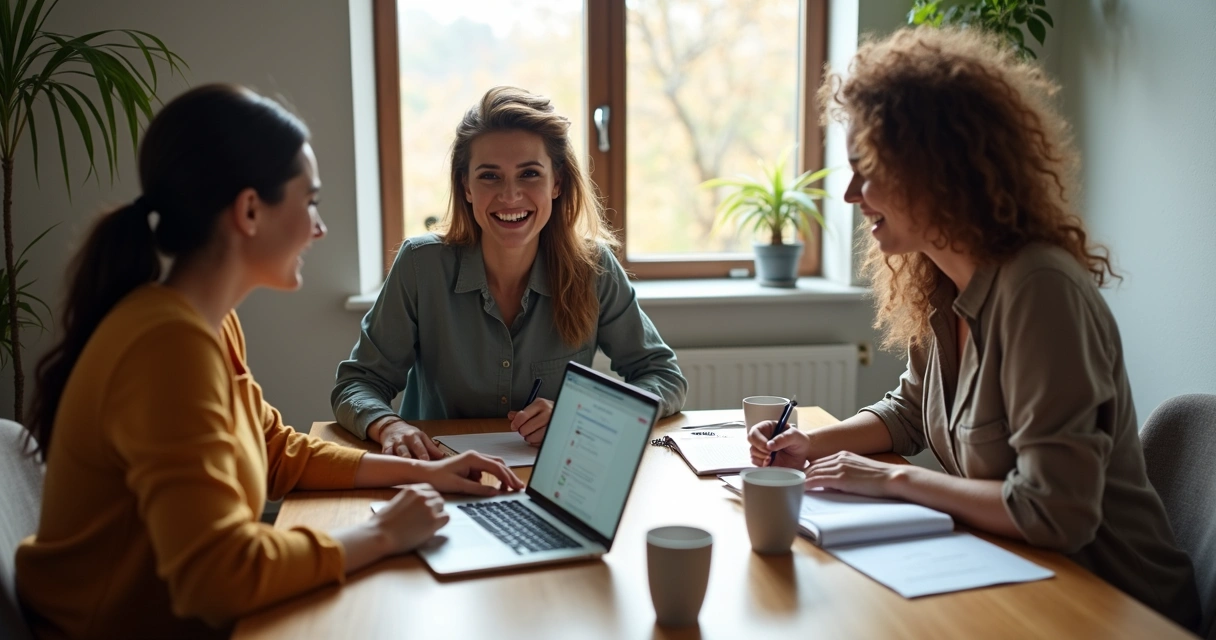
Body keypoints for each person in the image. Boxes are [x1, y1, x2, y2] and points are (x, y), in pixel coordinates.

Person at [15, 84, 524, 639]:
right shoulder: (168, 347)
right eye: (309, 202)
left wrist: (426, 472)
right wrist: (381, 535)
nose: (319, 227)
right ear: (250, 210)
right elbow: (216, 578)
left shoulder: (205, 322)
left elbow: (277, 453)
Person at [749, 28, 1201, 629]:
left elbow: (1054, 512)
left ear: (933, 169)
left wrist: (893, 481)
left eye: (868, 170)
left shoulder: (1039, 289)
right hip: (1021, 577)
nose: (852, 192)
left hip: (1114, 604)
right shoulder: (938, 282)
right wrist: (815, 444)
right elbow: (911, 412)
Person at [332, 86, 687, 460]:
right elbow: (357, 384)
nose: (510, 195)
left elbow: (663, 377)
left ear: (557, 183)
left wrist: (582, 415)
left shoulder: (593, 269)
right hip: (435, 474)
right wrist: (390, 425)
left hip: (552, 477)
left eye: (530, 173)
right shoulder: (420, 266)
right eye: (490, 177)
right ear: (466, 187)